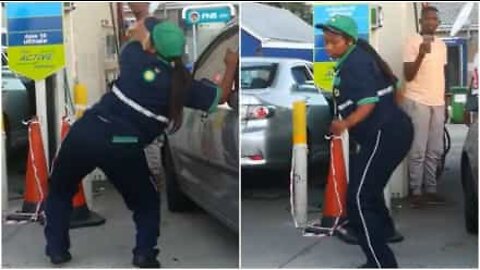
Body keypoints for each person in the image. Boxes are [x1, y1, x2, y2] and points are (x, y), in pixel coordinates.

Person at [44, 16, 238, 268]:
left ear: (152, 46)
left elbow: (137, 32)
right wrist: (231, 64)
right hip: (123, 143)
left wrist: (145, 19)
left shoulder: (134, 58)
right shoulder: (182, 84)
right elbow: (221, 95)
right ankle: (144, 254)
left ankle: (57, 250)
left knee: (59, 189)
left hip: (86, 132)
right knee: (145, 202)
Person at [316, 15, 413, 268]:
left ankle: (381, 263)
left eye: (333, 42)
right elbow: (396, 91)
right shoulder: (357, 60)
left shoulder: (355, 64)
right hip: (387, 132)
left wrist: (344, 124)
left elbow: (368, 104)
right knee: (366, 191)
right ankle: (386, 231)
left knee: (358, 198)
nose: (328, 48)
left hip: (385, 134)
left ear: (348, 41)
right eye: (325, 42)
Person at [402, 6, 447, 208]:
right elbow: (408, 75)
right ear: (420, 22)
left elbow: (441, 74)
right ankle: (416, 190)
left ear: (438, 23)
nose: (431, 22)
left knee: (435, 149)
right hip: (418, 100)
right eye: (427, 19)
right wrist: (420, 54)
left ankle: (431, 189)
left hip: (437, 102)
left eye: (434, 19)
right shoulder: (412, 42)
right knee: (418, 148)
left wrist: (445, 101)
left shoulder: (442, 45)